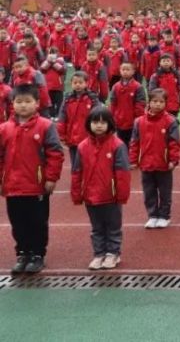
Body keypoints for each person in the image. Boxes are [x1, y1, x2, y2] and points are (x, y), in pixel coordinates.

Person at [0, 84, 64, 274]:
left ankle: (37, 254)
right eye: (19, 102)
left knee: (37, 221)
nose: (23, 106)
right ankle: (22, 253)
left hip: (36, 186)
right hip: (13, 186)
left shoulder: (45, 126)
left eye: (28, 102)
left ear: (37, 103)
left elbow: (55, 153)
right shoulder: (4, 129)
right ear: (12, 104)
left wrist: (51, 178)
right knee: (18, 222)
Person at [71, 107, 130, 270]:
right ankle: (99, 254)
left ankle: (113, 253)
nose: (99, 126)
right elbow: (76, 171)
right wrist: (77, 194)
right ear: (89, 124)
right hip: (91, 195)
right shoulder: (82, 146)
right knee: (97, 228)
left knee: (113, 227)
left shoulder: (117, 145)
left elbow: (123, 173)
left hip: (111, 196)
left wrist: (121, 194)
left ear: (110, 124)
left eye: (103, 122)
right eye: (95, 122)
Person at [129, 88, 180, 229]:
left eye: (161, 102)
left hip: (163, 164)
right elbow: (134, 142)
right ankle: (152, 215)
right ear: (149, 102)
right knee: (149, 191)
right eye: (154, 101)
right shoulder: (139, 122)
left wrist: (173, 160)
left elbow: (174, 143)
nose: (157, 104)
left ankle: (164, 216)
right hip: (146, 163)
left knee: (164, 192)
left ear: (165, 103)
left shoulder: (170, 121)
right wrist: (133, 160)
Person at [108, 62, 146, 145]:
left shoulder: (138, 87)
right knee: (121, 143)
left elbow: (140, 104)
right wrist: (112, 117)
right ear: (120, 71)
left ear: (133, 71)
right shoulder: (116, 86)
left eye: (128, 70)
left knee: (132, 144)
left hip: (133, 122)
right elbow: (113, 104)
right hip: (119, 122)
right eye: (123, 69)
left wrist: (138, 119)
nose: (125, 72)